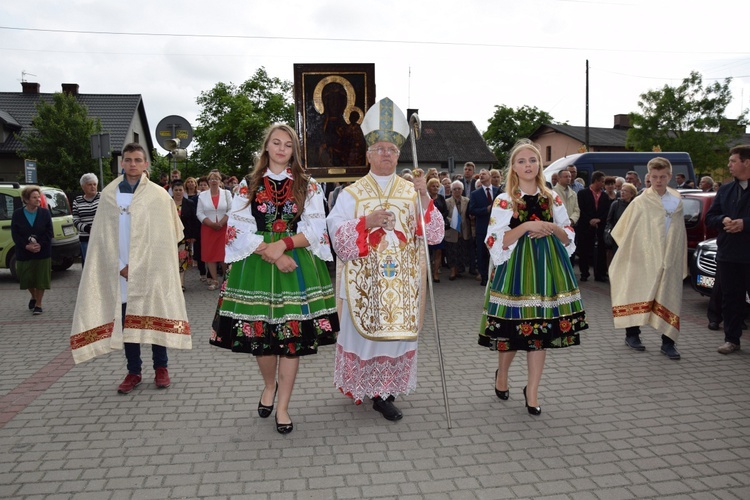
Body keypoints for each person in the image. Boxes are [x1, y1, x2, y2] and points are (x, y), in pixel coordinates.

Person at [209, 124, 338, 434]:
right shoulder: (249, 184)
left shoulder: (308, 185)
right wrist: (274, 252)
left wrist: (286, 246)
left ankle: (283, 407)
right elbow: (237, 228)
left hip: (297, 264)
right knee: (262, 338)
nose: (282, 149)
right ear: (266, 147)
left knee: (291, 341)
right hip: (257, 264)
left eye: (288, 145)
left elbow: (317, 228)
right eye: (276, 143)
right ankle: (270, 385)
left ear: (294, 151)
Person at [327, 97, 444, 421]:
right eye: (379, 148)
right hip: (363, 285)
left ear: (398, 154)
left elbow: (433, 235)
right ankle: (365, 387)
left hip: (401, 285)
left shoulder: (412, 191)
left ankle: (384, 392)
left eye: (391, 149)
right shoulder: (350, 194)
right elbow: (337, 237)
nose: (386, 154)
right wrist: (367, 223)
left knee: (394, 338)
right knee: (363, 337)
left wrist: (424, 196)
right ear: (367, 154)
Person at [69, 142, 191, 392]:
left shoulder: (158, 195)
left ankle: (161, 368)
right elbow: (102, 237)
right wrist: (120, 264)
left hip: (151, 271)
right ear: (121, 163)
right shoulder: (110, 196)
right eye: (128, 160)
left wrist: (145, 264)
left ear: (146, 164)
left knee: (155, 315)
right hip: (121, 270)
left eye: (138, 160)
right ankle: (133, 371)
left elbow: (168, 235)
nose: (133, 164)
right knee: (128, 322)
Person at [479, 139, 587, 416]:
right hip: (516, 269)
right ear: (513, 168)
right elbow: (495, 239)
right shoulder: (505, 200)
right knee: (514, 332)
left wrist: (549, 227)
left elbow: (567, 234)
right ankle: (502, 373)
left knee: (539, 333)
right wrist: (527, 225)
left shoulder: (553, 197)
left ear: (539, 164)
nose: (528, 165)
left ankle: (533, 390)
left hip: (548, 270)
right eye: (521, 161)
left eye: (532, 160)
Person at [609, 157, 686, 360]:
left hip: (670, 258)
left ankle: (668, 341)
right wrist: (634, 251)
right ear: (648, 177)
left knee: (669, 296)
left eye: (662, 177)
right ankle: (632, 335)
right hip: (643, 257)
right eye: (654, 177)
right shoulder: (641, 201)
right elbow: (625, 230)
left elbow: (679, 232)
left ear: (670, 176)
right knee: (637, 290)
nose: (658, 180)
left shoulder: (677, 200)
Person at [706, 145, 750, 354]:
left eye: (733, 161)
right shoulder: (725, 189)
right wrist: (723, 219)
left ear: (746, 162)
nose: (729, 165)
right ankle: (732, 340)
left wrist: (745, 224)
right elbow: (710, 217)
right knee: (731, 299)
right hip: (729, 254)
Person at [11, 185, 53, 315]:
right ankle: (33, 296)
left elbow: (49, 232)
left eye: (38, 197)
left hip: (42, 251)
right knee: (26, 278)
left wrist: (40, 244)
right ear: (26, 199)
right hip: (24, 252)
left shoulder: (45, 213)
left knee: (41, 279)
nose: (38, 200)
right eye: (34, 197)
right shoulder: (17, 214)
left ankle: (38, 304)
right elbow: (15, 233)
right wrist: (26, 246)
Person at [196, 170, 232, 290]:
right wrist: (210, 223)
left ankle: (226, 280)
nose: (214, 181)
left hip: (223, 227)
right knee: (210, 254)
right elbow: (199, 213)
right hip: (208, 227)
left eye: (216, 178)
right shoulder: (202, 195)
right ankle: (214, 280)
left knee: (223, 254)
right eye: (211, 179)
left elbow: (231, 210)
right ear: (208, 181)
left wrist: (222, 222)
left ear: (220, 181)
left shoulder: (227, 194)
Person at [576, 170, 612, 282]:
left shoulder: (605, 196)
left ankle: (599, 274)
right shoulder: (582, 193)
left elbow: (607, 211)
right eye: (601, 182)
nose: (603, 184)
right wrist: (590, 220)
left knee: (601, 251)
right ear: (595, 181)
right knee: (584, 250)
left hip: (600, 226)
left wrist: (599, 220)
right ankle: (584, 273)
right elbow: (580, 209)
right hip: (585, 226)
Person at [469, 169, 501, 286]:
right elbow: (471, 210)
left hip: (497, 228)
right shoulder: (475, 194)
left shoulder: (499, 191)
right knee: (482, 253)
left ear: (490, 176)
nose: (481, 176)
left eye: (484, 174)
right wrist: (485, 210)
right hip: (482, 228)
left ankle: (497, 276)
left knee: (496, 253)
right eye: (480, 174)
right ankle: (484, 277)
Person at [171, 180, 199, 291]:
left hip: (184, 237)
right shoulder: (168, 203)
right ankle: (173, 283)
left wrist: (193, 236)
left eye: (180, 190)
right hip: (170, 237)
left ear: (184, 191)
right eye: (176, 190)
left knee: (182, 261)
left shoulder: (189, 203)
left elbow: (193, 221)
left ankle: (181, 284)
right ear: (172, 191)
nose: (178, 192)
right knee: (172, 261)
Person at [72, 173, 100, 268]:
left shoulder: (103, 197)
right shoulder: (77, 201)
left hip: (101, 238)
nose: (93, 187)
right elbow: (75, 220)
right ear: (83, 187)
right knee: (89, 266)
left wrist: (97, 228)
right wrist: (88, 229)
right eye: (89, 184)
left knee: (101, 266)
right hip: (85, 239)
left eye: (94, 184)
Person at [445, 180, 471, 280]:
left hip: (463, 231)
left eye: (459, 189)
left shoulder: (467, 200)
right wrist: (453, 221)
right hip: (452, 231)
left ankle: (458, 270)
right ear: (451, 190)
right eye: (454, 189)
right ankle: (452, 271)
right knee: (451, 252)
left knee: (461, 251)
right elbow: (443, 216)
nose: (457, 191)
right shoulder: (447, 202)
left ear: (462, 190)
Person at [604, 182, 637, 259]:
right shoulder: (615, 204)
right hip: (617, 236)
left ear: (632, 194)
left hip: (631, 236)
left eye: (625, 191)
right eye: (622, 190)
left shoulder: (635, 205)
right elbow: (609, 220)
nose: (622, 192)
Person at [427, 178, 449, 282]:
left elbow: (446, 211)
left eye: (437, 186)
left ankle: (436, 273)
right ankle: (426, 273)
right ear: (428, 188)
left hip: (438, 229)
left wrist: (438, 217)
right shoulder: (425, 198)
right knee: (426, 252)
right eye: (433, 186)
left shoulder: (441, 198)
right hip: (427, 229)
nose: (435, 188)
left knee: (438, 251)